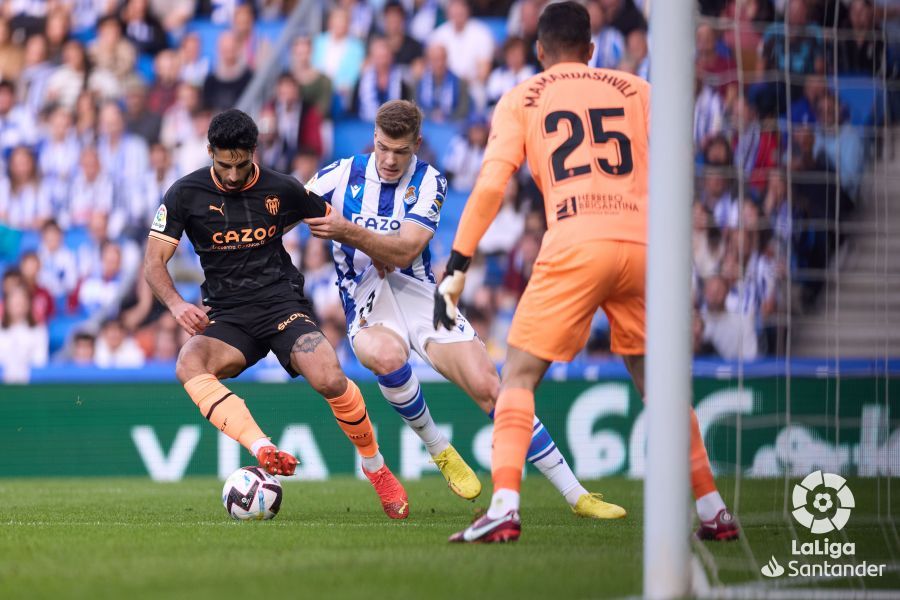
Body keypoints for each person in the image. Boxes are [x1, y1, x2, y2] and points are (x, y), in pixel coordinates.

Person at [434, 2, 738, 543]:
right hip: (645, 245)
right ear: (593, 51)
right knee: (658, 384)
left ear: (539, 51)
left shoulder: (521, 98)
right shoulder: (639, 91)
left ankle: (504, 505)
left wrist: (457, 263)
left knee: (520, 377)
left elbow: (490, 186)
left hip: (575, 238)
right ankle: (712, 508)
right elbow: (676, 168)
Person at [304, 99, 620, 519]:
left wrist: (349, 232)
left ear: (417, 144)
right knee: (383, 355)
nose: (390, 160)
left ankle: (576, 495)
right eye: (382, 148)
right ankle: (440, 449)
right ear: (373, 140)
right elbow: (288, 203)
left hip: (421, 295)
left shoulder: (431, 180)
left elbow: (407, 249)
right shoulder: (340, 174)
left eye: (401, 151)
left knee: (492, 388)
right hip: (366, 297)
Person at [143, 109, 408, 519]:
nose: (232, 176)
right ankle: (261, 447)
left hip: (282, 305)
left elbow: (332, 221)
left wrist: (375, 249)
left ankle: (375, 468)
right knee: (188, 362)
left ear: (255, 152)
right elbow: (153, 263)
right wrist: (177, 304)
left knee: (330, 377)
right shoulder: (184, 194)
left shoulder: (282, 189)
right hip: (229, 317)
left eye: (241, 164)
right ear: (209, 151)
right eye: (223, 164)